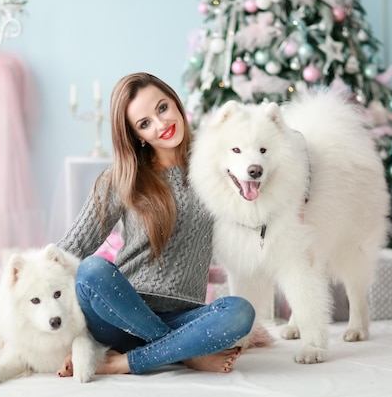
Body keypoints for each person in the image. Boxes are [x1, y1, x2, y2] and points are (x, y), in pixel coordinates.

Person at [57, 72, 255, 375]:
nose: (161, 124)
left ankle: (128, 361)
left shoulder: (216, 164)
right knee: (91, 270)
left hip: (184, 316)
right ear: (137, 135)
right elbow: (70, 250)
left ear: (175, 102)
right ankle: (183, 353)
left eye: (162, 108)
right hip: (117, 316)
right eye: (145, 123)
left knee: (240, 312)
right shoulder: (121, 178)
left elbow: (273, 148)